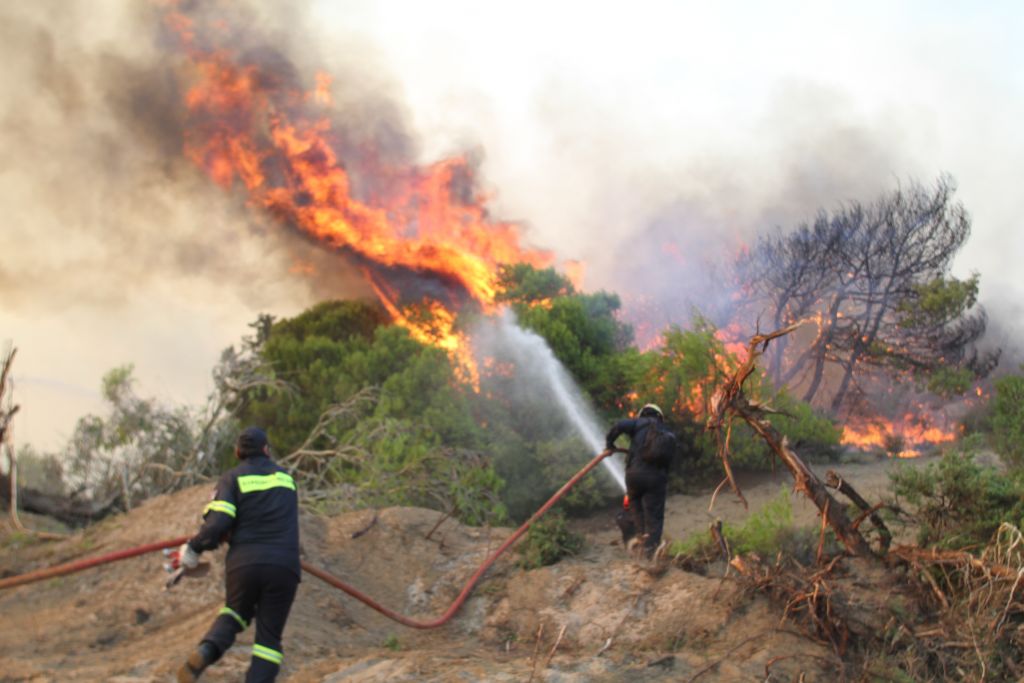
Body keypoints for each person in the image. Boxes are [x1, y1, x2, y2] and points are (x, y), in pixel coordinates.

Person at [177, 427, 300, 683]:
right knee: (268, 640)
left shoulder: (232, 479)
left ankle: (206, 650)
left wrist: (194, 548)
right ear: (267, 450)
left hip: (245, 563)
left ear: (237, 452)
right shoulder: (287, 479)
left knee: (235, 613)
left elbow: (219, 523)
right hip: (284, 565)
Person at [605, 404, 675, 559]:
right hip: (656, 479)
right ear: (659, 416)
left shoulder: (638, 423)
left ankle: (640, 545)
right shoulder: (666, 431)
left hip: (633, 477)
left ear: (642, 413)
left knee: (637, 512)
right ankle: (651, 555)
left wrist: (610, 444)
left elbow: (619, 425)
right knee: (654, 518)